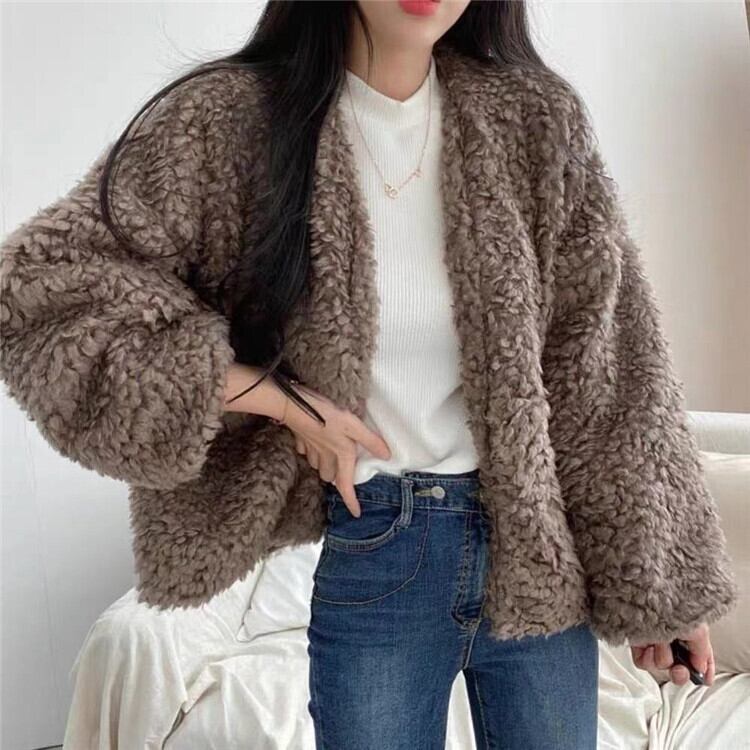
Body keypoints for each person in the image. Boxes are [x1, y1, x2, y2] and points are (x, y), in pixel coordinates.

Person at [0, 2, 737, 748]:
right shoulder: (231, 123)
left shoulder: (535, 122)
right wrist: (281, 400)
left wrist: (666, 590)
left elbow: (611, 376)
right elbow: (38, 296)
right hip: (383, 550)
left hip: (537, 561)